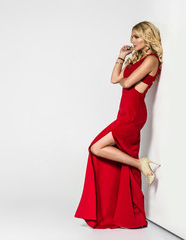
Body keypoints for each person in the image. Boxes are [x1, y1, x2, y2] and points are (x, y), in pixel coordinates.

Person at [75, 21, 163, 229]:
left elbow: (129, 82)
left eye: (136, 37)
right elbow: (115, 79)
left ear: (147, 38)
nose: (132, 41)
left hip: (133, 115)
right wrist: (122, 56)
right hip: (124, 113)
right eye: (132, 36)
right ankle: (138, 169)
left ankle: (140, 165)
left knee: (96, 147)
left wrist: (127, 78)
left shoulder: (151, 59)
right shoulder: (138, 58)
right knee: (101, 149)